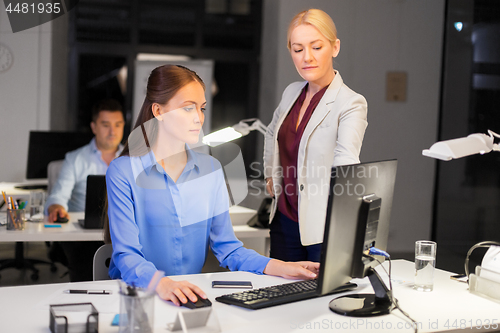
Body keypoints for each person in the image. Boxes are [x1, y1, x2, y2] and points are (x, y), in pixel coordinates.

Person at [105, 64, 319, 306]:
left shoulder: (211, 170)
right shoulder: (123, 171)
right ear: (158, 111)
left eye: (201, 108)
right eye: (188, 108)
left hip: (189, 298)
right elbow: (127, 255)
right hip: (138, 298)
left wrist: (282, 267)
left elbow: (228, 249)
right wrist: (162, 284)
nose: (198, 117)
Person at [263, 9, 368, 262]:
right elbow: (271, 131)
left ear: (335, 47)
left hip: (322, 225)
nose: (306, 57)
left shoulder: (351, 102)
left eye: (316, 47)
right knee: (280, 295)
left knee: (319, 299)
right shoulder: (291, 92)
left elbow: (346, 162)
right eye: (298, 50)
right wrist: (270, 174)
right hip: (284, 218)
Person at [45, 98, 125, 281]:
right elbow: (58, 195)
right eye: (105, 125)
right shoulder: (75, 159)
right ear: (94, 127)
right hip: (83, 238)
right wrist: (56, 207)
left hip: (121, 229)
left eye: (118, 125)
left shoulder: (133, 159)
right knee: (86, 264)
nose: (113, 131)